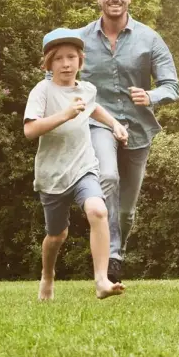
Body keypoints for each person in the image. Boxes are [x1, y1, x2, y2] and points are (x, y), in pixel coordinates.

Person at [80, 0, 179, 284]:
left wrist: (150, 96)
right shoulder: (80, 39)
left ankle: (117, 251)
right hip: (99, 125)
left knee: (127, 210)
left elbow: (172, 87)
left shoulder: (149, 39)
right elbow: (54, 77)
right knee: (106, 175)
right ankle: (110, 257)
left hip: (138, 129)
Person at [24, 28, 128, 301]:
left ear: (80, 61)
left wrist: (115, 124)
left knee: (98, 210)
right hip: (52, 176)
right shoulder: (42, 91)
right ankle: (47, 276)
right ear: (49, 63)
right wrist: (65, 114)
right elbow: (30, 130)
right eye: (59, 58)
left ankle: (102, 281)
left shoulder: (87, 89)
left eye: (72, 57)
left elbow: (94, 107)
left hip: (84, 167)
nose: (66, 64)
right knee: (57, 236)